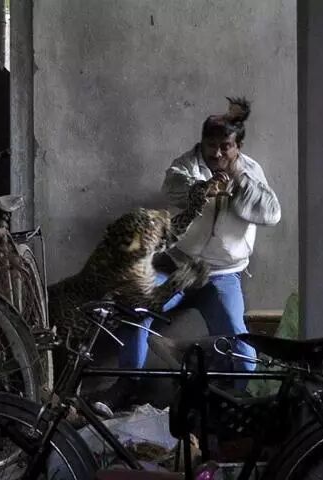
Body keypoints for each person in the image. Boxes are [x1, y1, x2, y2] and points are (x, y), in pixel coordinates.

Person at [93, 97, 281, 411]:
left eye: (225, 147)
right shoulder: (186, 164)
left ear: (238, 147)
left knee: (243, 349)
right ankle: (128, 386)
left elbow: (271, 213)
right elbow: (173, 186)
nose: (217, 154)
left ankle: (237, 406)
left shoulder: (250, 171)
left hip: (223, 276)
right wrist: (203, 188)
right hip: (178, 267)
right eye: (211, 146)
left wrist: (237, 177)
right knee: (136, 308)